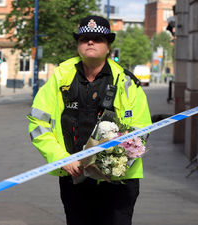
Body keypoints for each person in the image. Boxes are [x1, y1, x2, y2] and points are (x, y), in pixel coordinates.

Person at [28, 15, 152, 225]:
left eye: (97, 38)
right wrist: (62, 158)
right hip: (74, 176)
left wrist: (111, 166)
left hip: (117, 182)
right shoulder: (60, 77)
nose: (90, 42)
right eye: (84, 38)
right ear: (78, 44)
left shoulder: (127, 82)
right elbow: (37, 123)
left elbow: (141, 129)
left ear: (109, 45)